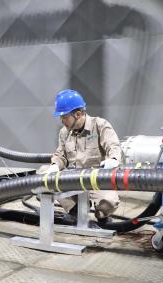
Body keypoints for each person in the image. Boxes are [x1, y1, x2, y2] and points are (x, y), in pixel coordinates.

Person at [40, 89, 122, 222]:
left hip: (97, 181)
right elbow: (60, 155)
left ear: (78, 114)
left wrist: (113, 159)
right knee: (43, 172)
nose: (62, 121)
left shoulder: (100, 125)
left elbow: (113, 146)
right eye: (61, 117)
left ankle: (101, 215)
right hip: (74, 181)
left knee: (110, 202)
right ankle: (75, 209)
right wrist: (55, 165)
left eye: (64, 117)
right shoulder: (64, 132)